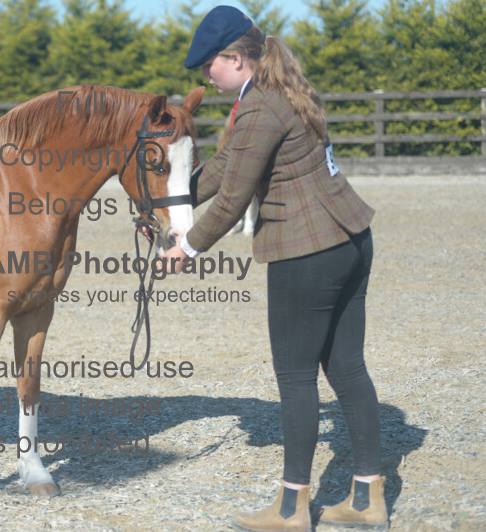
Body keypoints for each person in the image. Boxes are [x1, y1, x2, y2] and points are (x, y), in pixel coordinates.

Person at [162, 6, 388, 532]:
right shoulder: (278, 91)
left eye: (209, 65)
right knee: (348, 369)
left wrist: (187, 247)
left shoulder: (259, 107)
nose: (205, 76)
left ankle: (291, 510)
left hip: (306, 251)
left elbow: (234, 196)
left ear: (236, 59)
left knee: (295, 377)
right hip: (351, 240)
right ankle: (367, 498)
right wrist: (174, 196)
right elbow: (227, 166)